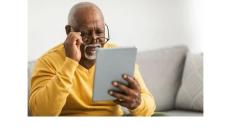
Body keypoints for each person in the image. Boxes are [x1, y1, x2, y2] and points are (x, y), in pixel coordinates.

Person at [29, 2, 156, 116]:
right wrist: (70, 62)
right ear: (69, 31)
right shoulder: (48, 61)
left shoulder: (118, 56)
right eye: (85, 33)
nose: (94, 39)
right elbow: (40, 113)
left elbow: (149, 105)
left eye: (99, 32)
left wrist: (138, 103)